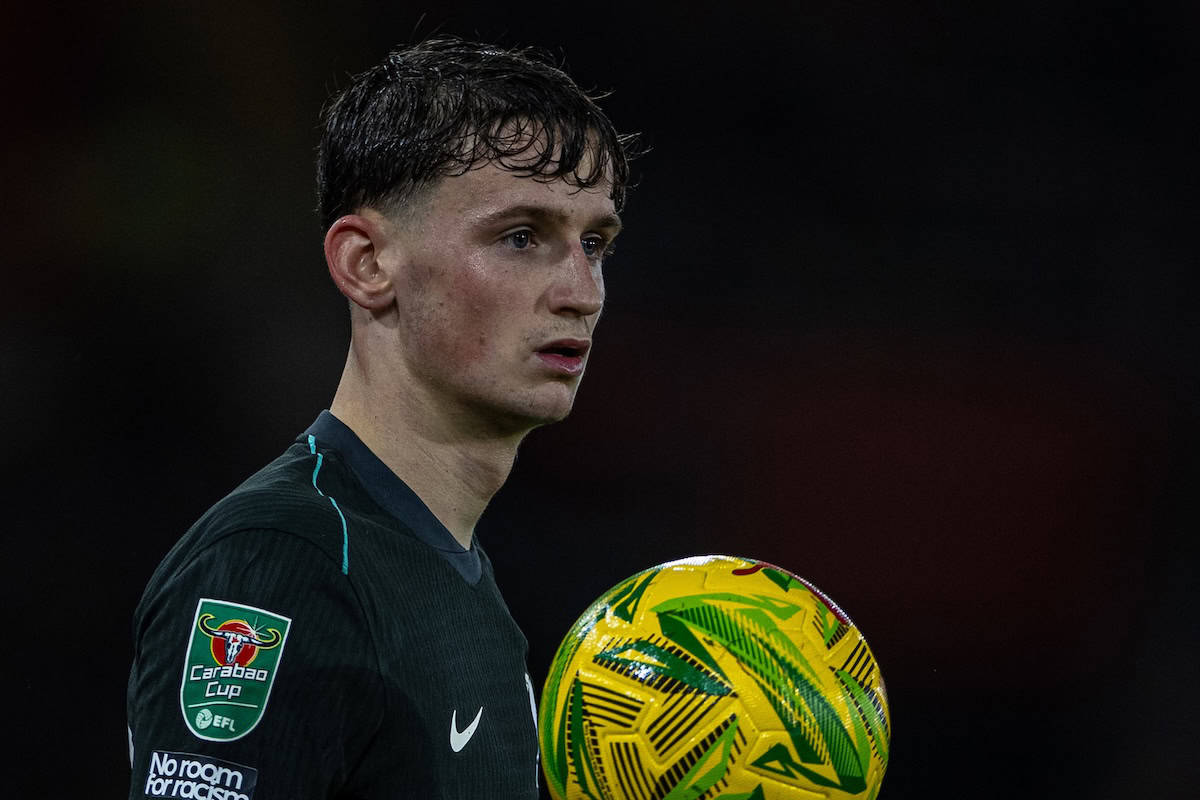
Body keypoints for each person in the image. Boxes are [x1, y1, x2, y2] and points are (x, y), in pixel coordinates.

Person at [126, 37, 636, 799]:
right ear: (366, 263)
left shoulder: (466, 598)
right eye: (521, 237)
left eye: (593, 243)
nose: (582, 292)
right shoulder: (280, 564)